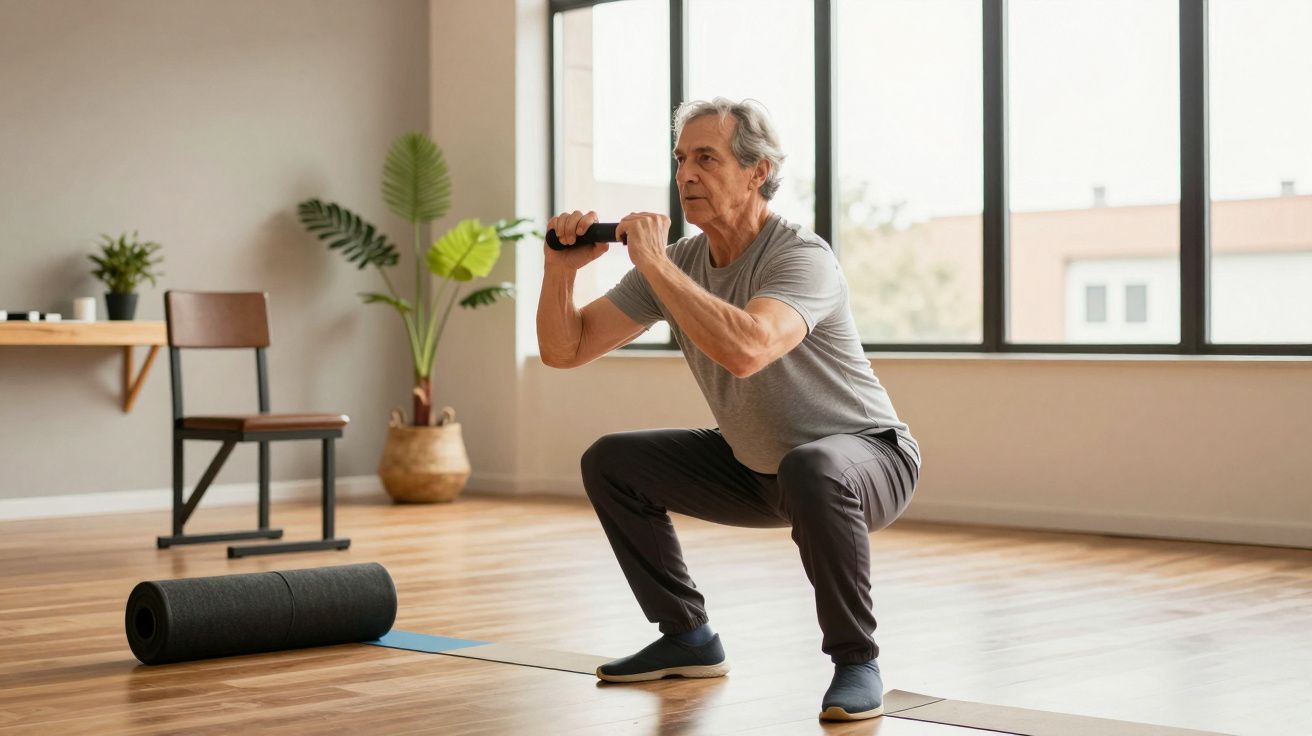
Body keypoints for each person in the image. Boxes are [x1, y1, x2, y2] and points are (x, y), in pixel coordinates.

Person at [536, 97, 920, 722]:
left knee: (811, 466)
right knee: (612, 462)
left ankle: (857, 662)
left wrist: (654, 262)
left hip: (869, 459)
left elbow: (748, 350)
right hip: (758, 468)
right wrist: (560, 271)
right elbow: (564, 350)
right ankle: (687, 637)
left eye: (707, 159)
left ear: (757, 171)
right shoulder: (680, 264)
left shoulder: (800, 256)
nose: (686, 174)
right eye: (681, 159)